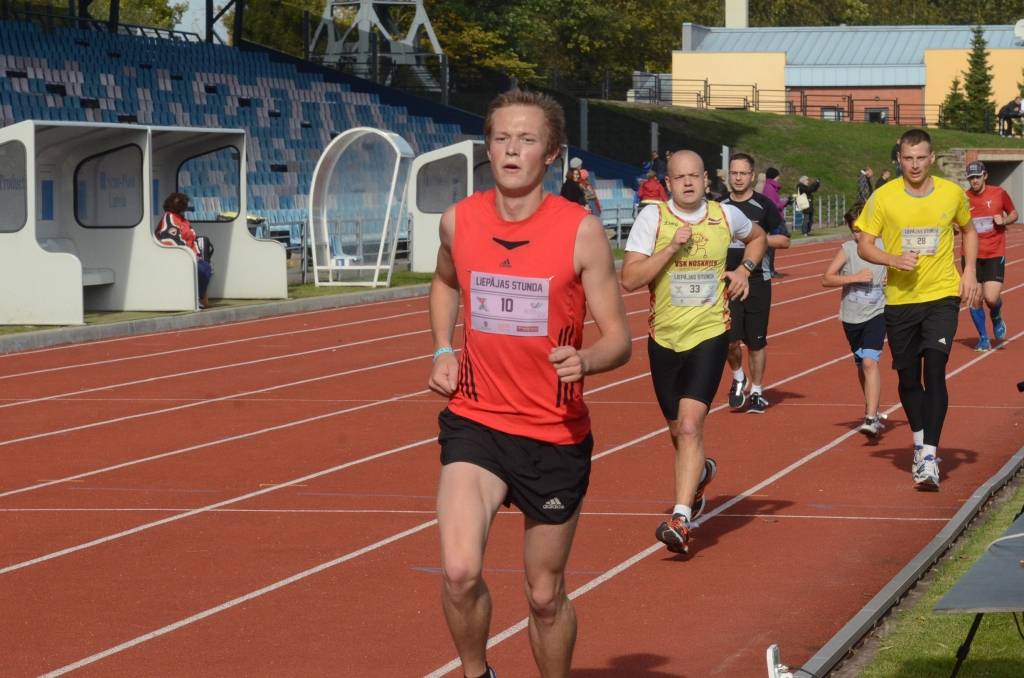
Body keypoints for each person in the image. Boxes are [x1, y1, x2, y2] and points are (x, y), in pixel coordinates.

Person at [428, 89, 632, 678]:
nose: (512, 150)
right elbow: (444, 282)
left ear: (552, 154)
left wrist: (586, 361)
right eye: (501, 138)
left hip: (552, 433)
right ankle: (477, 673)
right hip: (476, 420)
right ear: (488, 147)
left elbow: (619, 339)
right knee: (460, 571)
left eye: (527, 139)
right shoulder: (458, 220)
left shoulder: (580, 231)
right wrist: (442, 347)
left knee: (544, 596)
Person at [621, 149, 766, 553]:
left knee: (689, 427)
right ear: (668, 183)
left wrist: (744, 270)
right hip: (665, 339)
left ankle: (681, 518)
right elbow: (629, 279)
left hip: (709, 333)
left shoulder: (725, 216)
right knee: (677, 431)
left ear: (706, 180)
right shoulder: (653, 219)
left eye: (694, 176)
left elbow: (757, 238)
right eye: (679, 177)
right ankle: (700, 473)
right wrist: (670, 248)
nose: (687, 182)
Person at [854, 128, 979, 491]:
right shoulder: (883, 197)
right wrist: (893, 259)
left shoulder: (951, 193)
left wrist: (969, 271)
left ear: (932, 158)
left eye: (921, 158)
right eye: (908, 158)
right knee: (909, 378)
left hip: (941, 296)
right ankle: (920, 442)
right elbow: (864, 245)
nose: (914, 165)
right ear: (899, 159)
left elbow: (969, 230)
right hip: (901, 300)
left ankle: (929, 456)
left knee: (935, 370)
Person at [721, 153, 790, 413]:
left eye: (743, 173)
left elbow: (784, 239)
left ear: (752, 176)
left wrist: (753, 238)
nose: (738, 178)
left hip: (758, 279)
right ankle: (739, 377)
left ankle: (758, 391)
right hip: (727, 280)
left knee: (756, 342)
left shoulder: (764, 205)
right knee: (729, 340)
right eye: (734, 173)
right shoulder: (719, 206)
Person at [821, 203, 887, 437]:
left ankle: (870, 417)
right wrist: (854, 278)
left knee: (869, 362)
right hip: (851, 317)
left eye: (863, 229)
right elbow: (826, 279)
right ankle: (872, 406)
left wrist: (892, 278)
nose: (859, 235)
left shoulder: (884, 246)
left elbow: (902, 268)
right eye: (855, 230)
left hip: (877, 313)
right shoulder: (848, 249)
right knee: (862, 364)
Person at [963, 160, 1017, 350]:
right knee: (974, 298)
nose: (974, 181)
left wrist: (1004, 220)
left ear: (985, 175)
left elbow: (1014, 213)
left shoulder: (998, 193)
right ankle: (983, 337)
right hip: (971, 254)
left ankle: (996, 315)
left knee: (991, 297)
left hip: (994, 251)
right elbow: (955, 223)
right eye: (971, 178)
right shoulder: (963, 198)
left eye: (977, 177)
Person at [156, 192, 212, 309]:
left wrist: (197, 255)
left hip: (190, 256)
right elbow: (171, 240)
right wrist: (190, 256)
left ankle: (198, 297)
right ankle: (197, 298)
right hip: (176, 257)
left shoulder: (183, 220)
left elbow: (193, 238)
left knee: (206, 267)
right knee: (202, 269)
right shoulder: (169, 218)